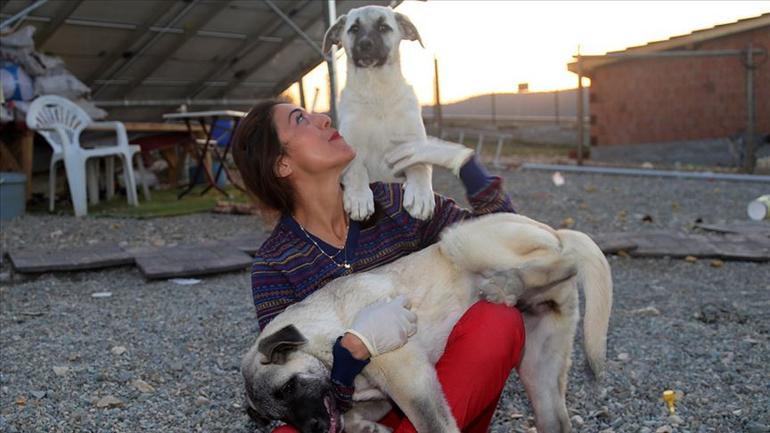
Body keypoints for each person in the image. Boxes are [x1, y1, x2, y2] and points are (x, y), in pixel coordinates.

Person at [232, 99, 526, 433]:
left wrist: (465, 163)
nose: (325, 118)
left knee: (499, 319)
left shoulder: (395, 204)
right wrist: (351, 352)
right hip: (363, 410)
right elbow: (298, 386)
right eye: (301, 119)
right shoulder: (275, 266)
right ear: (282, 164)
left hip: (446, 389)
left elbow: (506, 243)